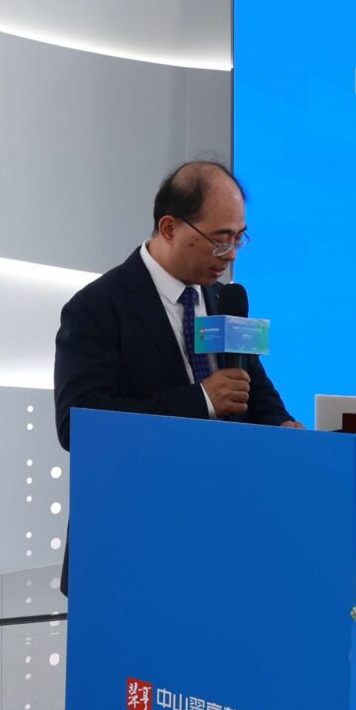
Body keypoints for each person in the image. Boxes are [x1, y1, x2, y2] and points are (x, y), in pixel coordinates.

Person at [52, 160, 297, 591]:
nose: (231, 254)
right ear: (169, 228)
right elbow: (78, 422)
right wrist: (200, 400)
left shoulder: (225, 299)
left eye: (239, 238)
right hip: (131, 536)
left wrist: (283, 427)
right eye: (220, 240)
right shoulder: (97, 307)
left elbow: (251, 389)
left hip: (220, 528)